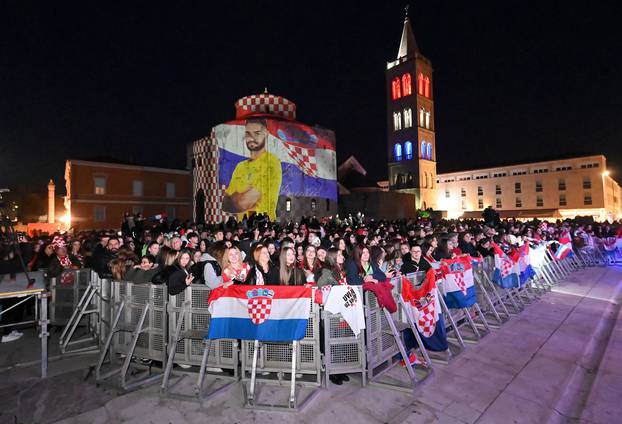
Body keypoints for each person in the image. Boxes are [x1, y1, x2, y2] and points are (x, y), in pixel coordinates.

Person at [222, 119, 282, 221]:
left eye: (257, 133)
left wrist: (236, 197)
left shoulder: (271, 162)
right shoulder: (240, 167)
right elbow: (225, 205)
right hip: (241, 225)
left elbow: (244, 202)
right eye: (248, 133)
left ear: (266, 133)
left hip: (263, 225)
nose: (251, 138)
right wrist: (238, 198)